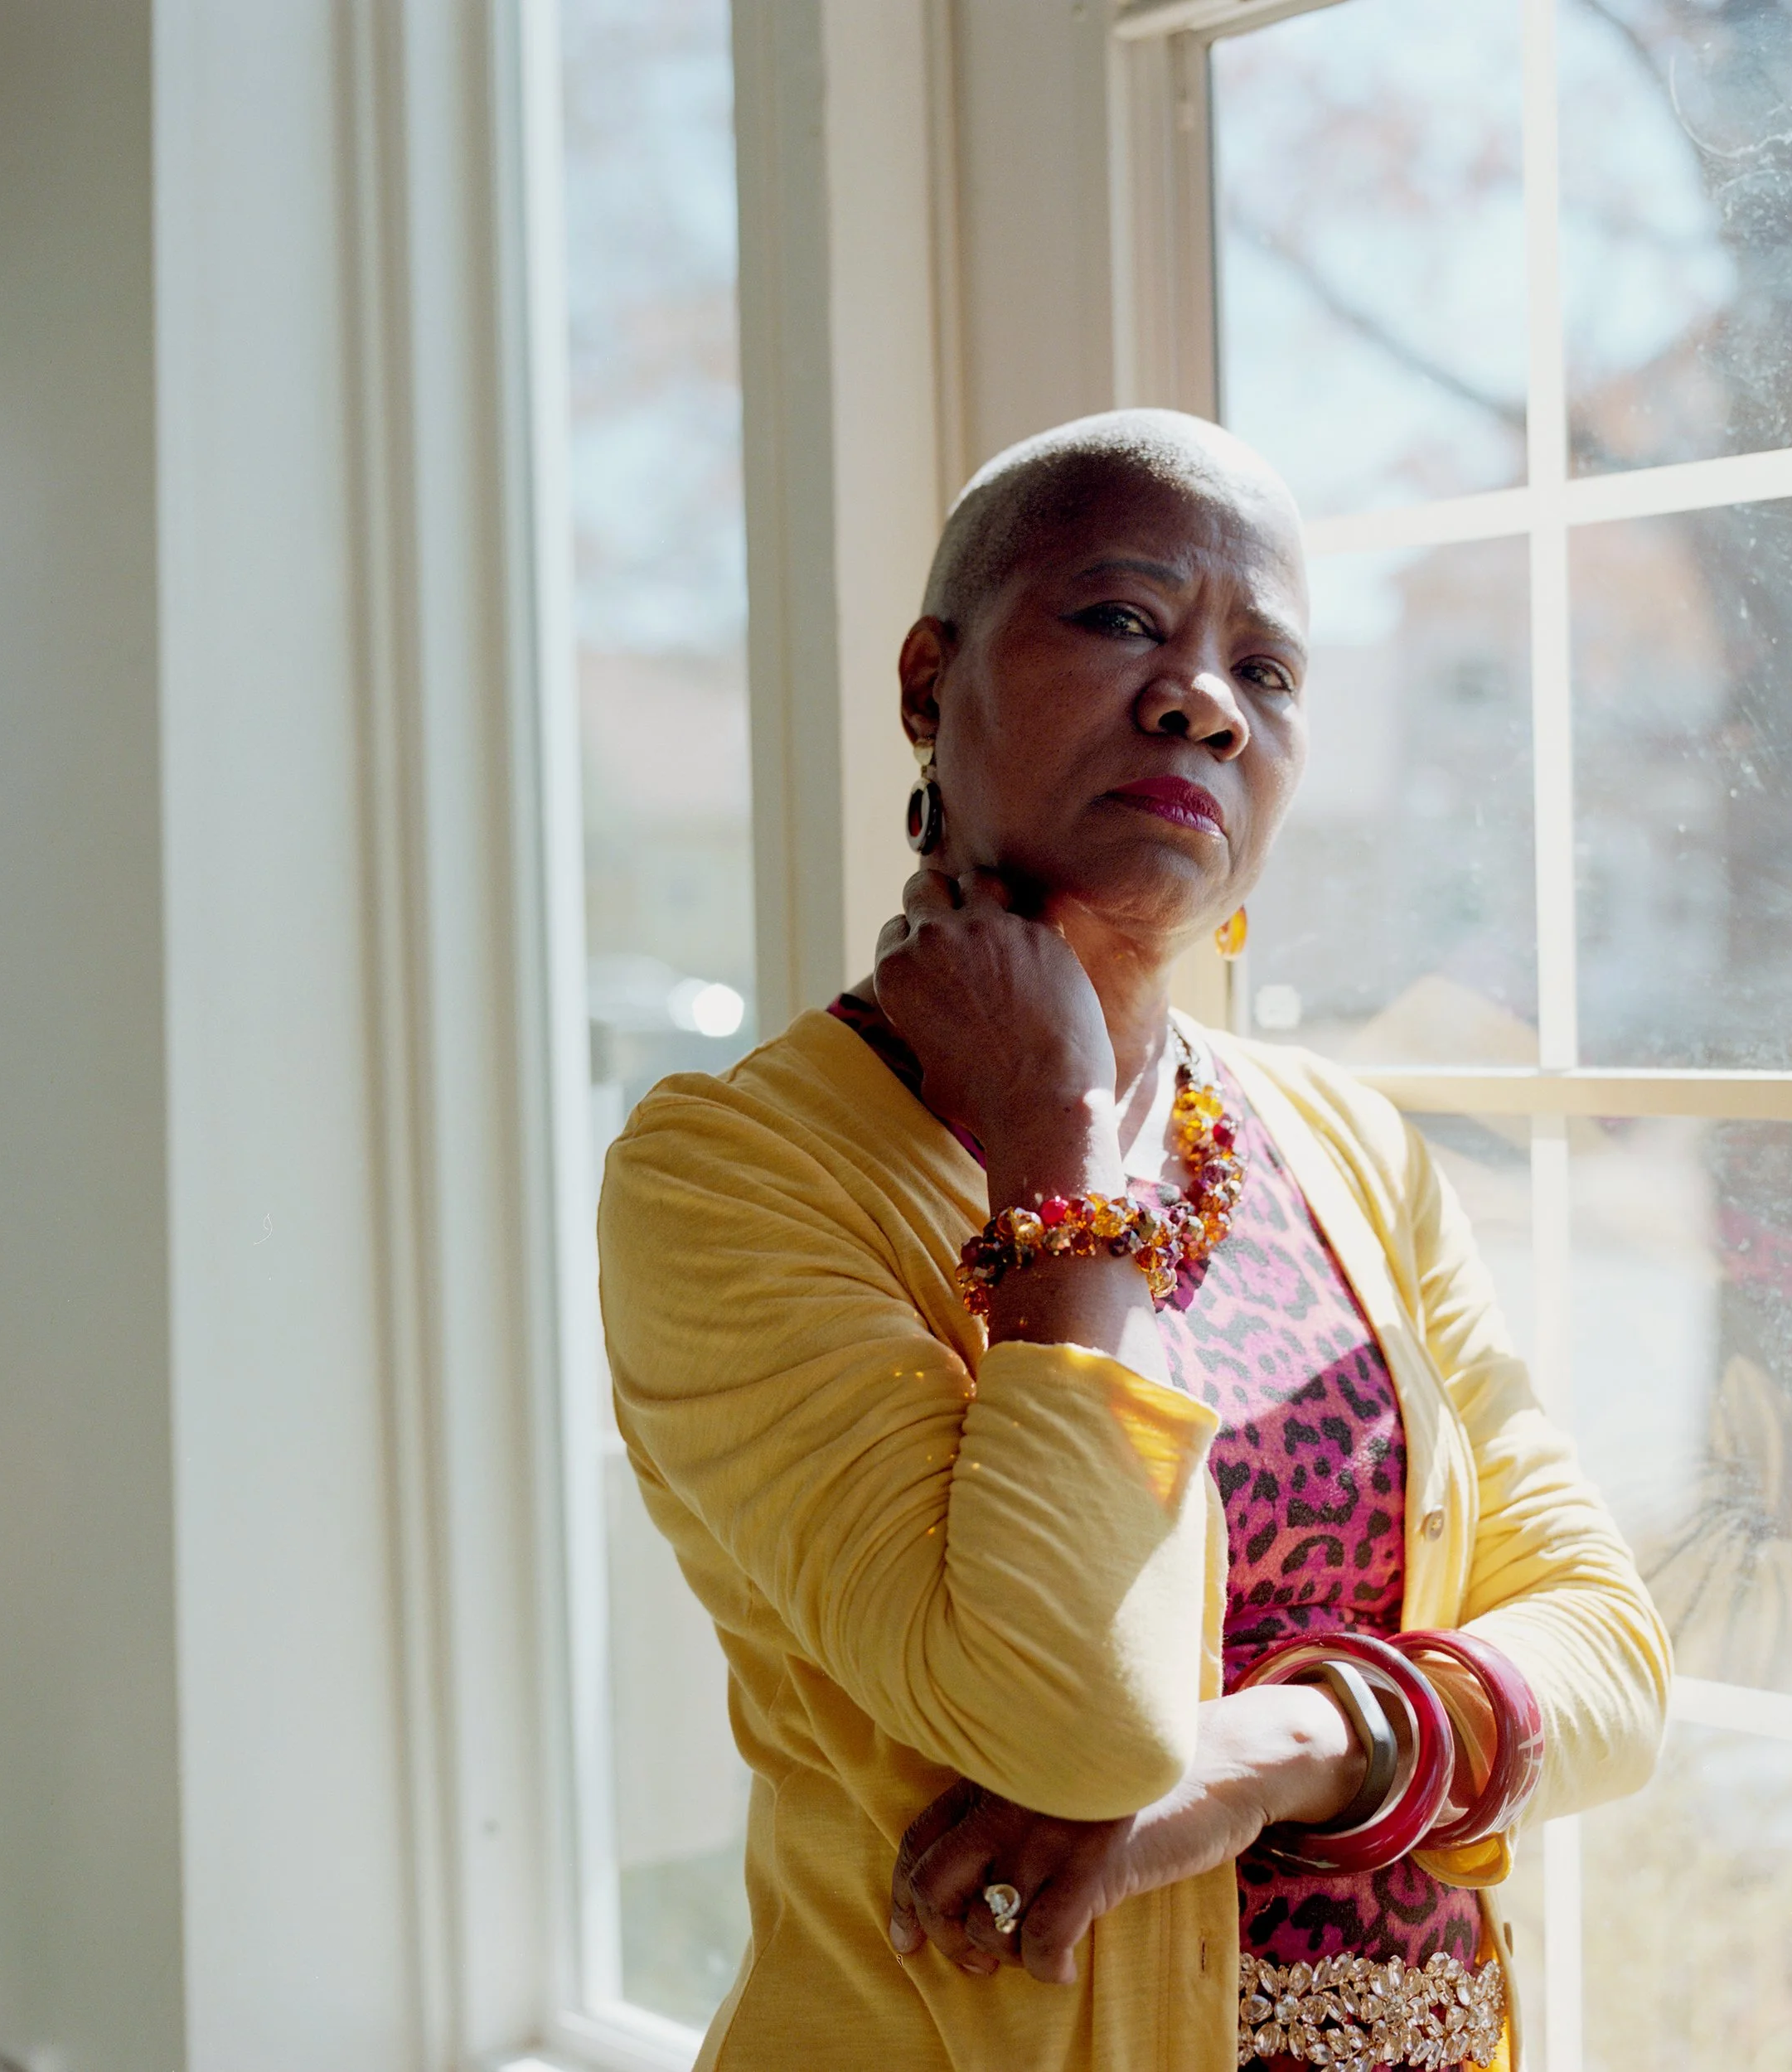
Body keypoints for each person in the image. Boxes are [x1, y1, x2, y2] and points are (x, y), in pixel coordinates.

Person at [598, 409, 1669, 2070]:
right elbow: (1068, 1720)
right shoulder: (737, 1173)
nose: (1200, 698)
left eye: (1271, 668)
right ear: (920, 685)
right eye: (1119, 621)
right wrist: (1052, 1130)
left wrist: (1253, 1761)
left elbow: (1603, 1648)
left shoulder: (1345, 1146)